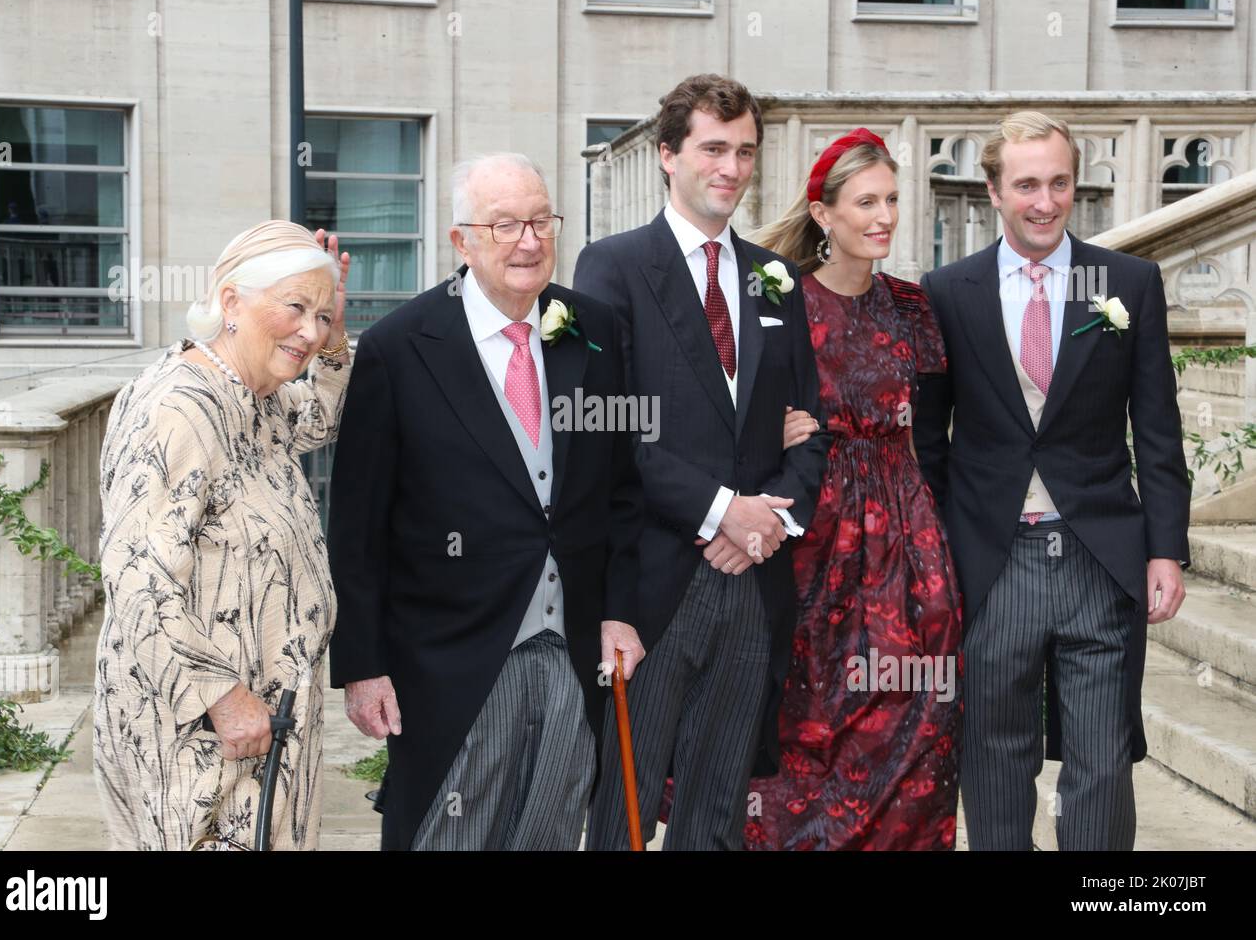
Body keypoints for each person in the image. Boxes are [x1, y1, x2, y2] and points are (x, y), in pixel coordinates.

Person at [327, 153, 644, 851]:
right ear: (461, 241)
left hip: (571, 650)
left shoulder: (594, 328)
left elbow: (623, 491)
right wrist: (362, 664)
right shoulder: (399, 348)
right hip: (450, 659)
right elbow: (356, 526)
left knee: (553, 833)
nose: (528, 242)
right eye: (504, 226)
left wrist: (623, 611)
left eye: (539, 221)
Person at [913, 111, 1191, 850]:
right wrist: (939, 552)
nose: (1045, 201)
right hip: (992, 561)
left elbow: (1158, 429)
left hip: (1100, 556)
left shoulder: (1125, 281)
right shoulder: (947, 291)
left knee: (1101, 762)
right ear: (994, 190)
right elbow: (926, 442)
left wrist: (1166, 550)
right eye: (1027, 184)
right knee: (995, 756)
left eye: (1059, 182)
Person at [574, 74, 828, 850]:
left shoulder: (772, 276)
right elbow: (607, 429)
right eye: (713, 147)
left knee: (718, 811)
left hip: (753, 578)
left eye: (745, 150)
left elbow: (810, 430)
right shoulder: (612, 267)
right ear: (667, 155)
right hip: (655, 581)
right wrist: (724, 510)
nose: (732, 166)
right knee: (627, 799)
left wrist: (768, 521)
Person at [94, 220, 351, 850]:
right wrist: (223, 698)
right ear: (231, 301)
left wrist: (333, 324)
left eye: (322, 316)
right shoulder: (177, 408)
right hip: (203, 739)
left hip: (262, 730)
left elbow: (321, 415)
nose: (311, 332)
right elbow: (137, 579)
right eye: (295, 307)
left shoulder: (255, 396)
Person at [742, 129, 963, 850]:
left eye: (892, 199)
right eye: (866, 201)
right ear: (824, 213)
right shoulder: (780, 304)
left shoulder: (911, 305)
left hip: (909, 542)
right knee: (810, 719)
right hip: (813, 537)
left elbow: (930, 435)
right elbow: (731, 414)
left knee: (916, 717)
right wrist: (769, 436)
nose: (885, 216)